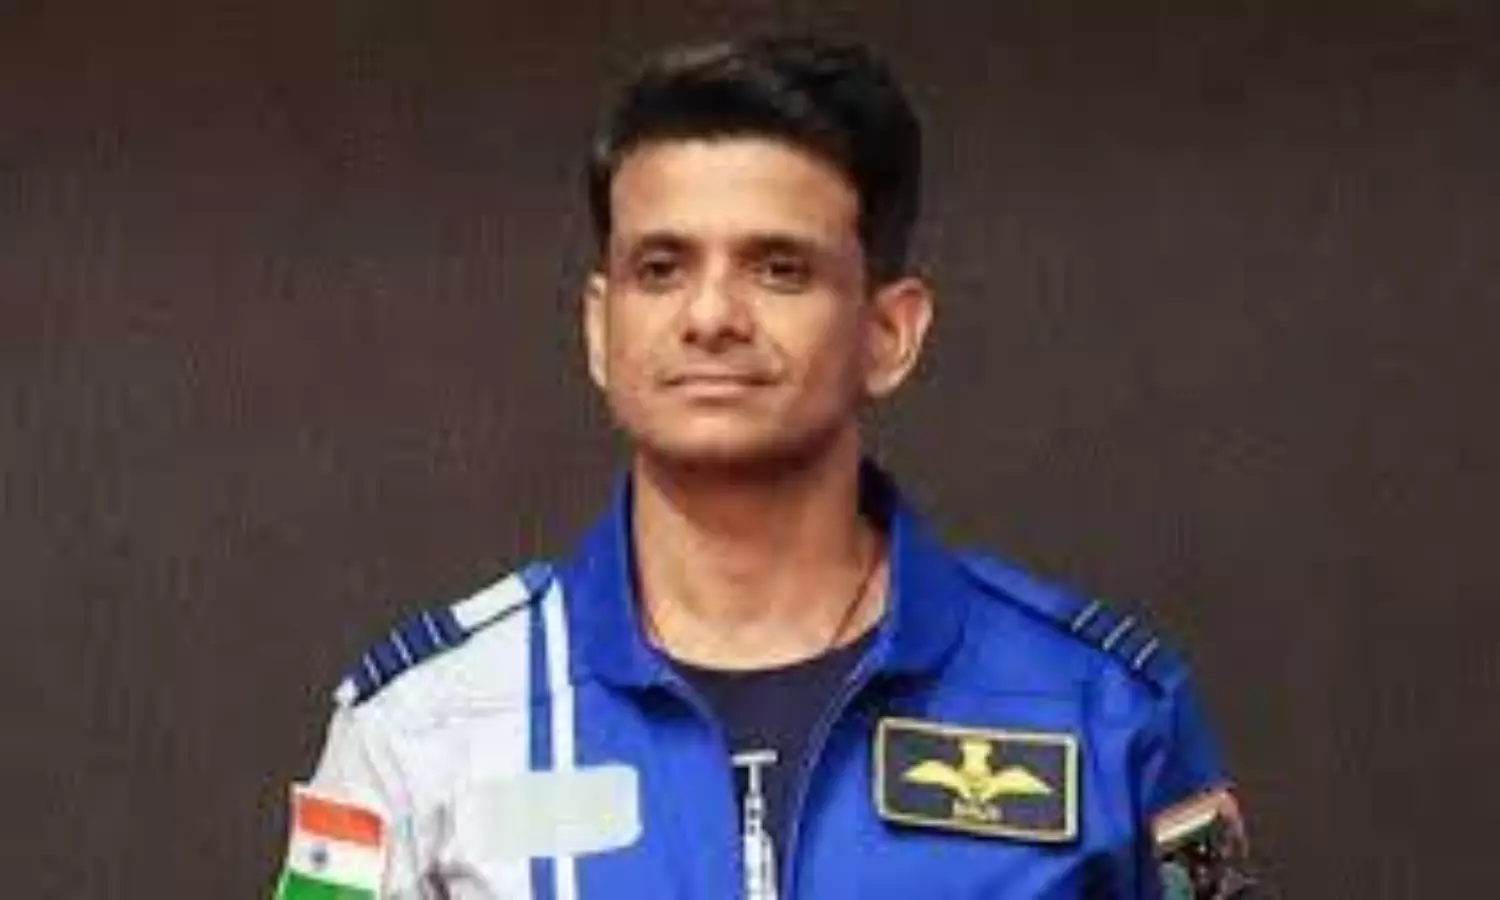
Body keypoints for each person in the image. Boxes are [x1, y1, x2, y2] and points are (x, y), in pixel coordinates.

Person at [274, 36, 1256, 900]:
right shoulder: (422, 726)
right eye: (661, 268)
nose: (710, 316)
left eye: (779, 268)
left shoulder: (1110, 712)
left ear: (889, 332)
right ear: (600, 328)